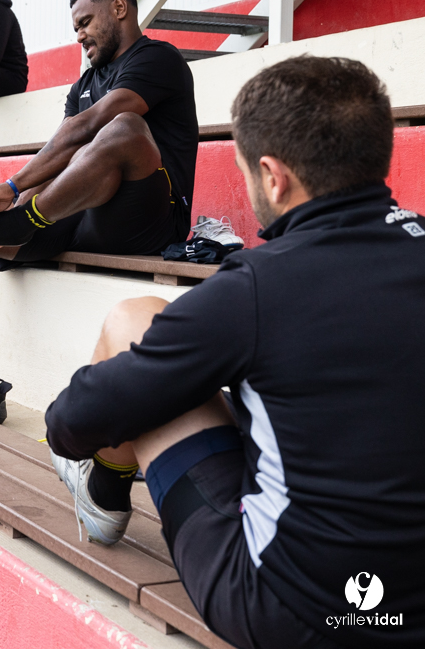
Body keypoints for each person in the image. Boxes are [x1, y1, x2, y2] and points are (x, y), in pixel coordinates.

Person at [46, 56, 424, 648]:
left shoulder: (255, 286)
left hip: (293, 608)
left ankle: (104, 491)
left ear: (272, 177)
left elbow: (73, 420)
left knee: (134, 324)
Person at [0, 0, 197, 422]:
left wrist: (13, 188)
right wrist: (3, 204)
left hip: (147, 217)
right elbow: (64, 155)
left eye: (86, 22)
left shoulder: (157, 59)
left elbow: (89, 127)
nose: (79, 36)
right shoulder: (85, 81)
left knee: (122, 127)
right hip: (81, 213)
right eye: (75, 28)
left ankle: (21, 222)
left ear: (119, 9)